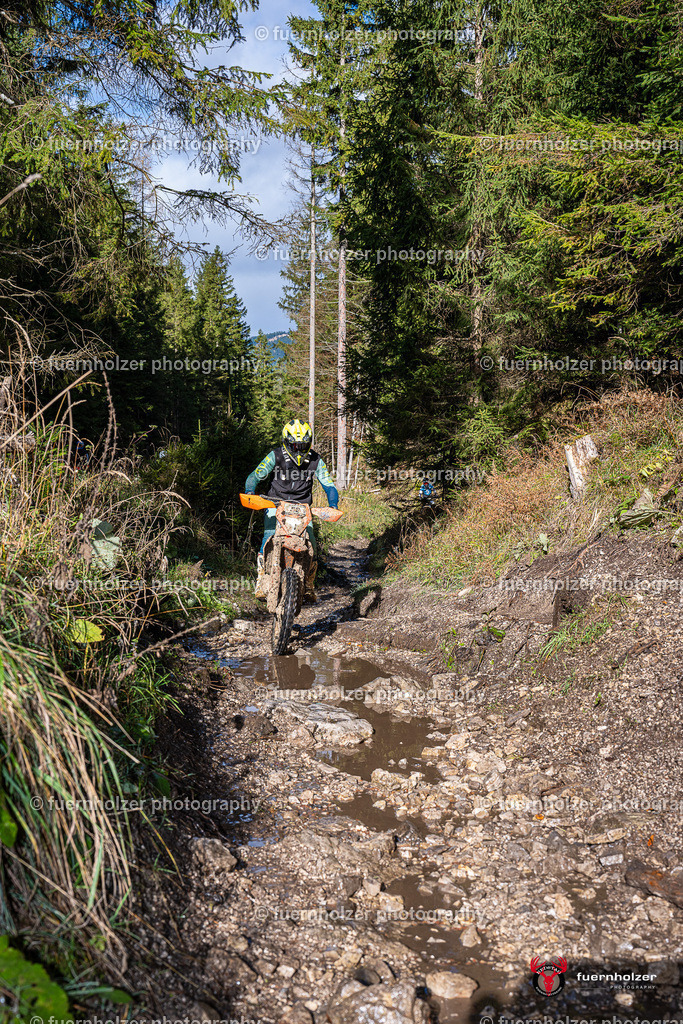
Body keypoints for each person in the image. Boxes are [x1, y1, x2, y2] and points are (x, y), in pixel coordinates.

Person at [244, 419, 339, 601]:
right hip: (275, 503)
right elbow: (255, 475)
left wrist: (333, 505)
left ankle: (309, 584)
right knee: (268, 537)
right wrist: (251, 491)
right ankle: (261, 580)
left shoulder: (315, 460)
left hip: (303, 508)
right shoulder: (276, 456)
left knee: (311, 544)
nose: (298, 449)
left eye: (303, 445)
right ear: (286, 442)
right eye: (294, 445)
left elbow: (329, 485)